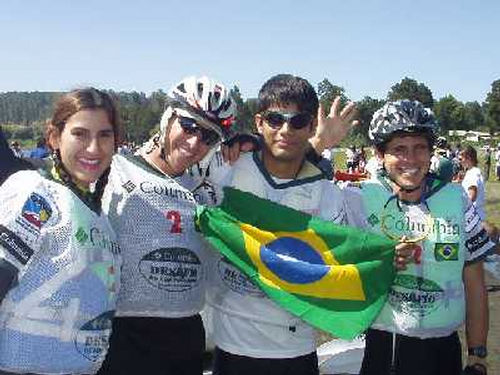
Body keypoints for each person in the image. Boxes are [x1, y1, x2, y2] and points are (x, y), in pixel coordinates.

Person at [205, 74, 414, 375]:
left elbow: (340, 259)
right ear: (259, 122)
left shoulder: (327, 193)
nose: (286, 130)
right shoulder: (226, 171)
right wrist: (235, 139)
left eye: (298, 121)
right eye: (275, 119)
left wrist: (388, 257)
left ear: (311, 127)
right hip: (233, 348)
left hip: (297, 350)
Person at [98, 76, 241, 375]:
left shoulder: (206, 190)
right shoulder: (113, 171)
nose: (194, 143)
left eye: (209, 137)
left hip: (185, 337)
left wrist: (252, 145)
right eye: (188, 126)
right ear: (167, 118)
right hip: (123, 335)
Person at [340, 100, 494, 375]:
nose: (411, 159)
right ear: (379, 154)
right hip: (386, 346)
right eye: (399, 149)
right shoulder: (359, 197)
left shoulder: (456, 198)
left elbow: (475, 283)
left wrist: (478, 355)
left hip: (444, 349)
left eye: (420, 148)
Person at [0, 88, 122, 374]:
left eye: (104, 135)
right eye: (80, 134)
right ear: (54, 137)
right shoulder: (36, 192)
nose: (94, 148)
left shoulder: (96, 212)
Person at [460, 145, 486, 221]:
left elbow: (472, 196)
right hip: (475, 215)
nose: (460, 161)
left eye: (461, 159)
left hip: (473, 216)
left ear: (468, 158)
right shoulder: (472, 171)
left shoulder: (473, 174)